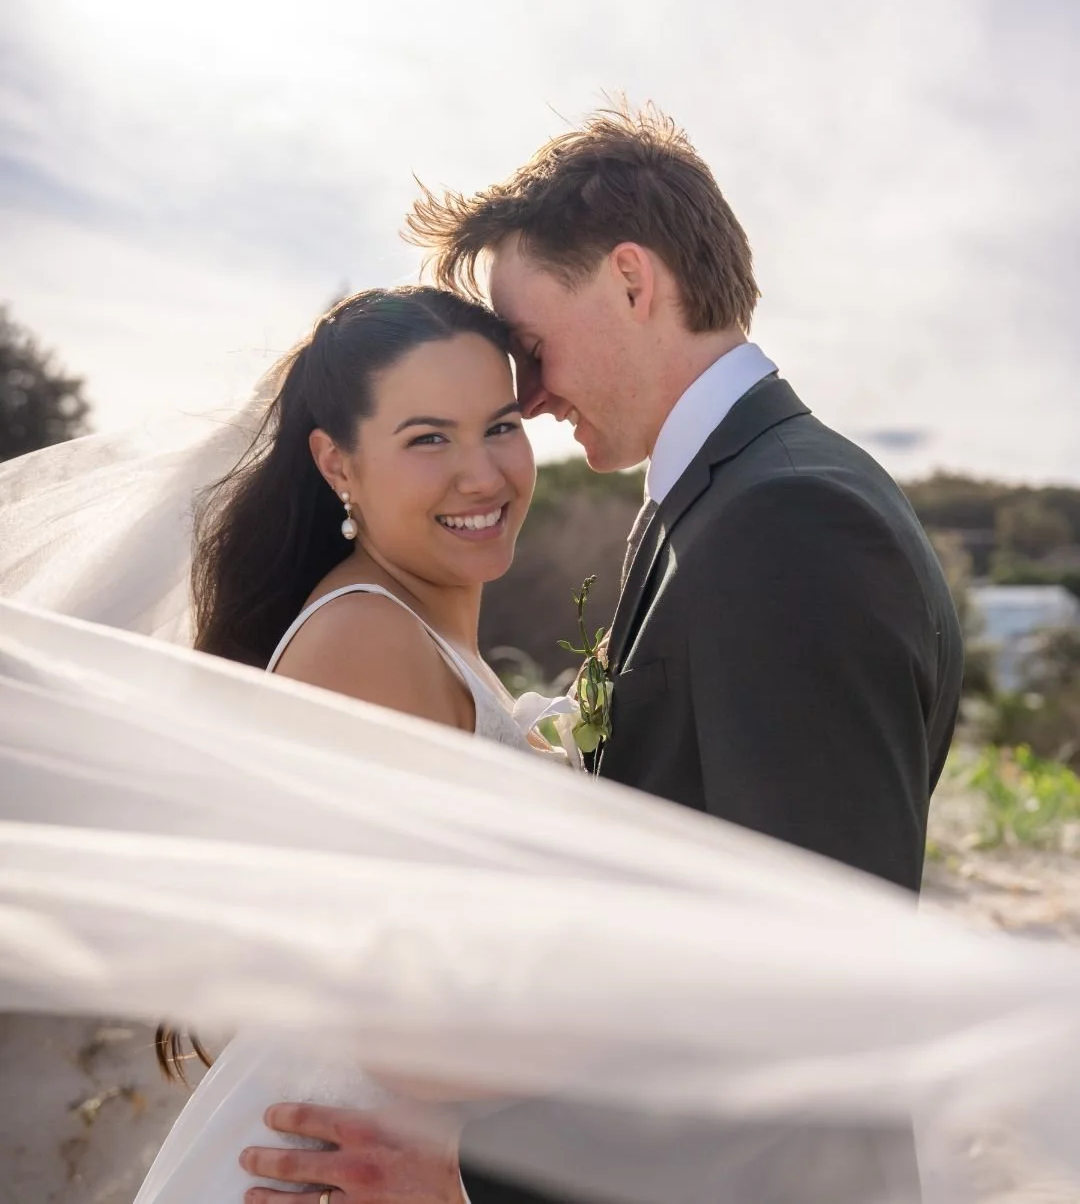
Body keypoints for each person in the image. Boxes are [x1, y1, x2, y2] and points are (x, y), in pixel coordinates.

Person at [243, 104, 964, 1204]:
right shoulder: (717, 505)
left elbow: (812, 995)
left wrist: (473, 1174)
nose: (524, 399)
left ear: (634, 282)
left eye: (528, 349)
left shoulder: (791, 521)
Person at [134, 284, 570, 1204]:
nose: (483, 474)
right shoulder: (366, 641)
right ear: (338, 464)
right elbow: (407, 1040)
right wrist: (672, 1023)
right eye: (427, 439)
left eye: (499, 425)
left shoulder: (419, 637)